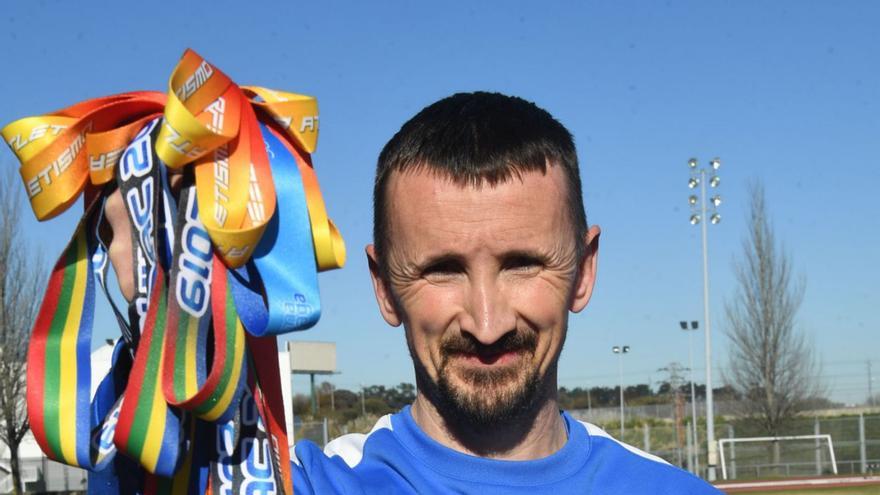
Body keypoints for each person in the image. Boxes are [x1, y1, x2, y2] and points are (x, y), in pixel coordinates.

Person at [290, 92, 722, 493]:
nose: (487, 324)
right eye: (443, 269)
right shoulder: (305, 485)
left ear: (584, 269)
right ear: (384, 287)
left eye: (523, 264)